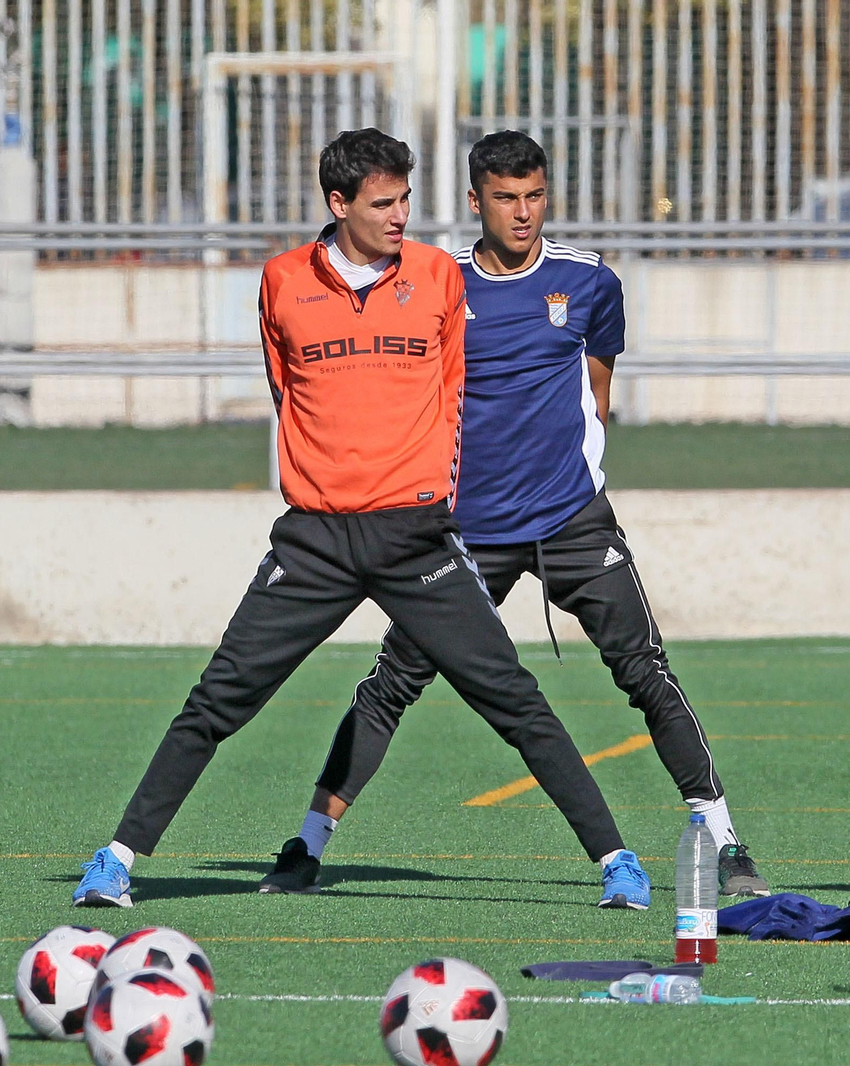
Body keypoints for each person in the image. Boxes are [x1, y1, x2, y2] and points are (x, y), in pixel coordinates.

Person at [71, 128, 650, 909]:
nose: (401, 215)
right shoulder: (281, 282)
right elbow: (290, 394)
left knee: (513, 698)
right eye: (384, 203)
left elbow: (452, 395)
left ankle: (616, 862)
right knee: (218, 700)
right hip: (315, 541)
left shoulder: (439, 277)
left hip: (417, 539)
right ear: (338, 204)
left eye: (407, 198)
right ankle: (116, 859)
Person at [256, 130, 771, 900]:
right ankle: (307, 843)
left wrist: (575, 470)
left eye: (534, 196)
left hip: (571, 519)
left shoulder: (589, 281)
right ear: (475, 202)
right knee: (392, 682)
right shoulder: (438, 282)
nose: (523, 212)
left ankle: (724, 839)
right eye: (505, 198)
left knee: (645, 671)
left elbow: (598, 389)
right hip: (464, 531)